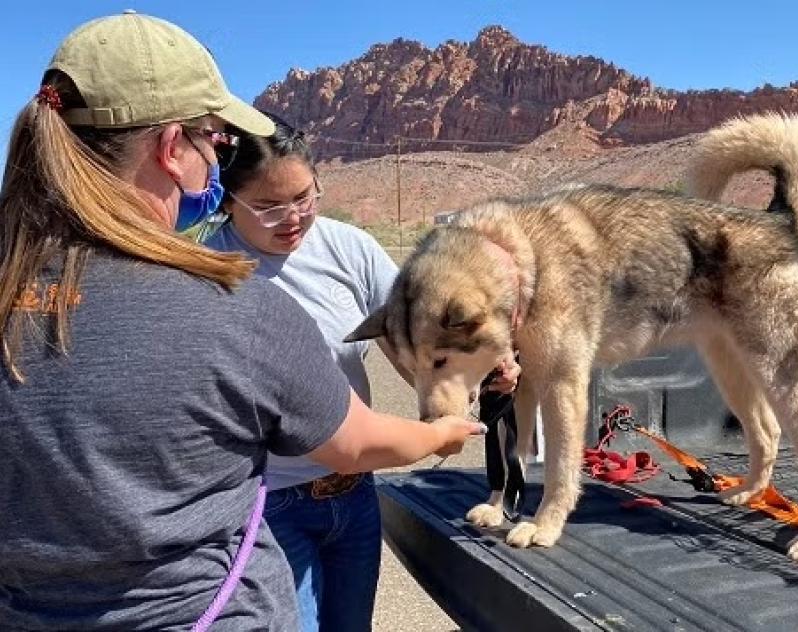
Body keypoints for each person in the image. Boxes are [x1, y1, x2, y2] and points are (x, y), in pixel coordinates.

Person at [0, 12, 483, 632]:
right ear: (173, 149)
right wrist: (442, 435)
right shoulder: (234, 306)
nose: (214, 161)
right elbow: (357, 442)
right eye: (214, 141)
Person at [204, 111, 520, 632]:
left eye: (305, 197)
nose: (292, 218)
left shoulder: (348, 247)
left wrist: (478, 377)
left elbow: (416, 345)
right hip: (264, 506)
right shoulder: (205, 266)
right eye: (267, 206)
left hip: (352, 496)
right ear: (227, 198)